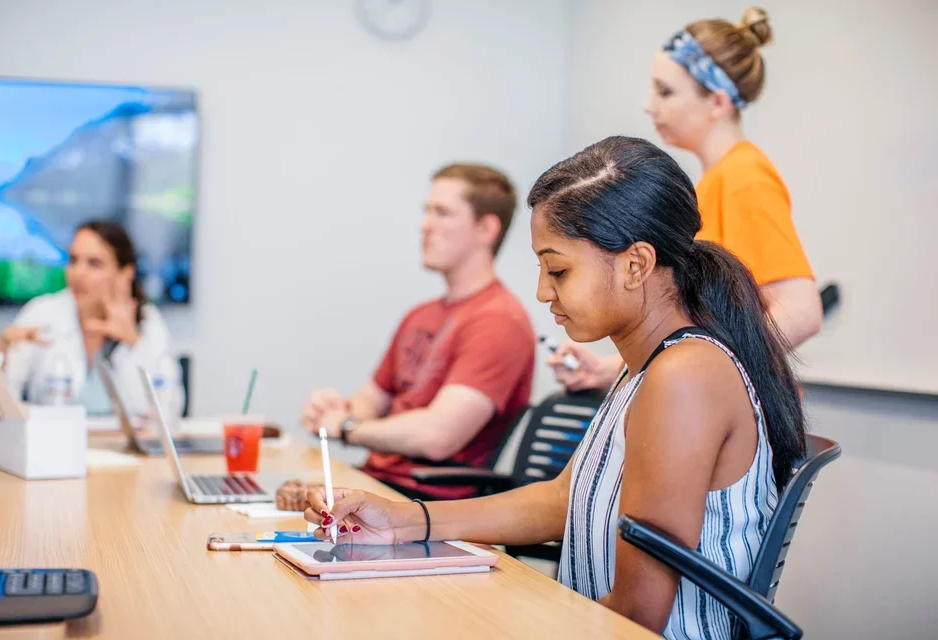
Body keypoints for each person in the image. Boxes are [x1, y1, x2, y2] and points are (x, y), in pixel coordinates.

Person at [301, 136, 806, 639]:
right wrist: (404, 521)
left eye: (558, 269)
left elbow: (637, 613)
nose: (543, 292)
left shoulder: (686, 376)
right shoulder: (648, 367)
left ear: (637, 264)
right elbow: (562, 498)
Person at [550, 7, 823, 392]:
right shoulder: (715, 182)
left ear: (717, 101)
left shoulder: (744, 176)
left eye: (666, 91)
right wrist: (607, 368)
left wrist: (705, 371)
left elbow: (802, 310)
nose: (650, 105)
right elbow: (700, 326)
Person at [298, 164, 535, 500]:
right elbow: (371, 400)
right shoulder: (420, 315)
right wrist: (334, 411)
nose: (425, 226)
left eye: (443, 213)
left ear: (486, 228)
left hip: (425, 505)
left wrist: (348, 428)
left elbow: (437, 436)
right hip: (378, 486)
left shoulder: (499, 321)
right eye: (426, 212)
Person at [0, 220, 183, 418]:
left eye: (94, 264)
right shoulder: (43, 313)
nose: (78, 273)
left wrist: (133, 343)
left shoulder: (148, 322)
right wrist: (2, 351)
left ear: (125, 274)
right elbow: (2, 406)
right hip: (53, 444)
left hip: (122, 448)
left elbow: (169, 411)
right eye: (74, 260)